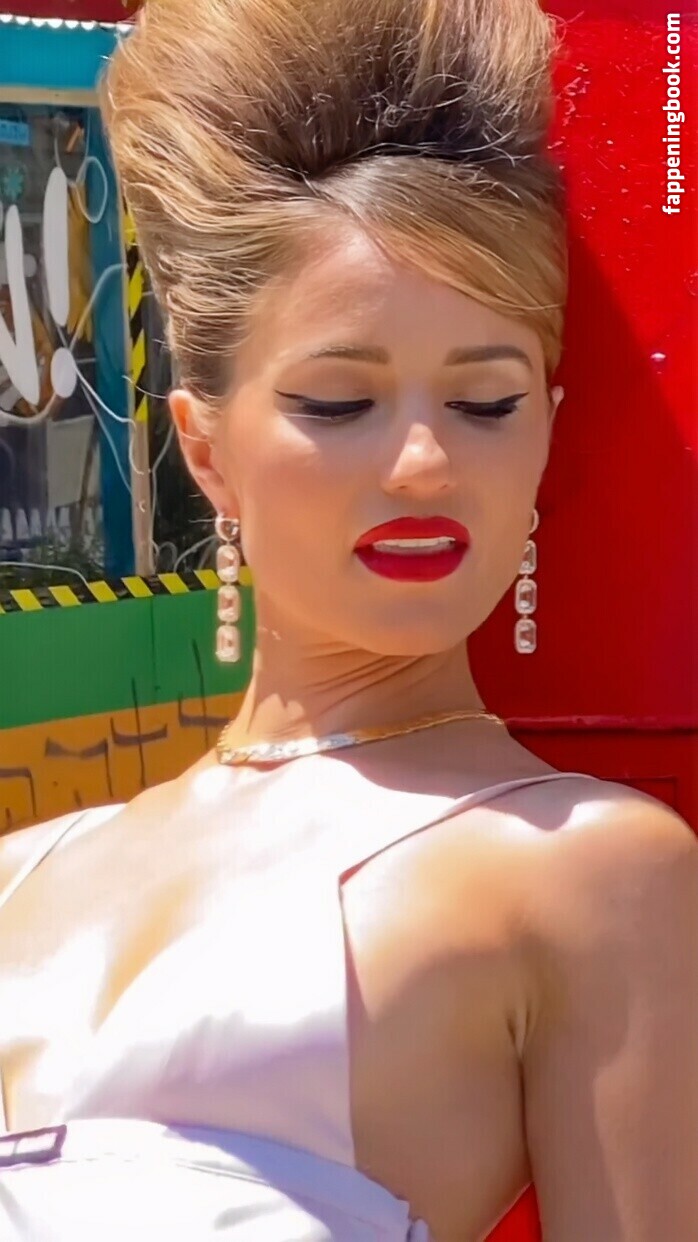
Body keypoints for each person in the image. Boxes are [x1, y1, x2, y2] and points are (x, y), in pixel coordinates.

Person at [0, 1, 696, 1239]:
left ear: (544, 431)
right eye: (337, 402)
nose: (423, 462)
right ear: (204, 449)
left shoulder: (587, 872)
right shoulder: (23, 875)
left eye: (484, 403)